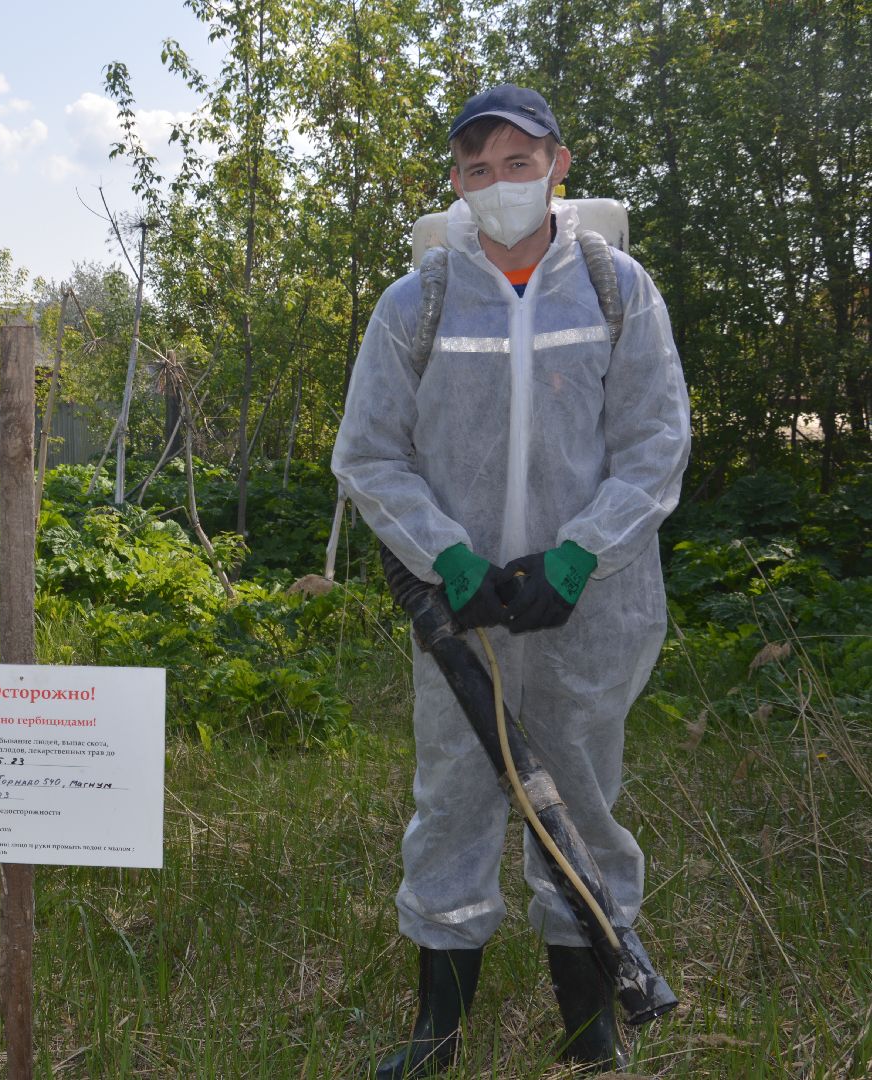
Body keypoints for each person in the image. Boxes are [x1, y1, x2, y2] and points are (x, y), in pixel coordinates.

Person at [331, 86, 690, 1075]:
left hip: (590, 607)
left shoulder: (618, 291)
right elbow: (368, 454)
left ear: (557, 166)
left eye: (518, 163)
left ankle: (590, 1029)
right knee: (453, 802)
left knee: (580, 802)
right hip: (463, 613)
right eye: (477, 169)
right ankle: (436, 1034)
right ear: (456, 182)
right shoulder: (417, 302)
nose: (499, 184)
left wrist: (578, 555)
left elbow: (656, 444)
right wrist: (448, 557)